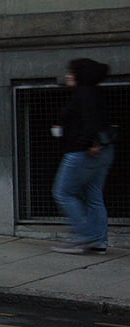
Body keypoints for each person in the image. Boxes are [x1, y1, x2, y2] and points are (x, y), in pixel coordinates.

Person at [50, 58, 115, 255]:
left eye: (72, 72)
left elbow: (90, 123)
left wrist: (87, 144)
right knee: (94, 196)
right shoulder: (94, 92)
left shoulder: (83, 93)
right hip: (103, 151)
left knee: (63, 193)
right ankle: (99, 241)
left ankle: (85, 237)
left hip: (83, 153)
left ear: (80, 74)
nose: (68, 75)